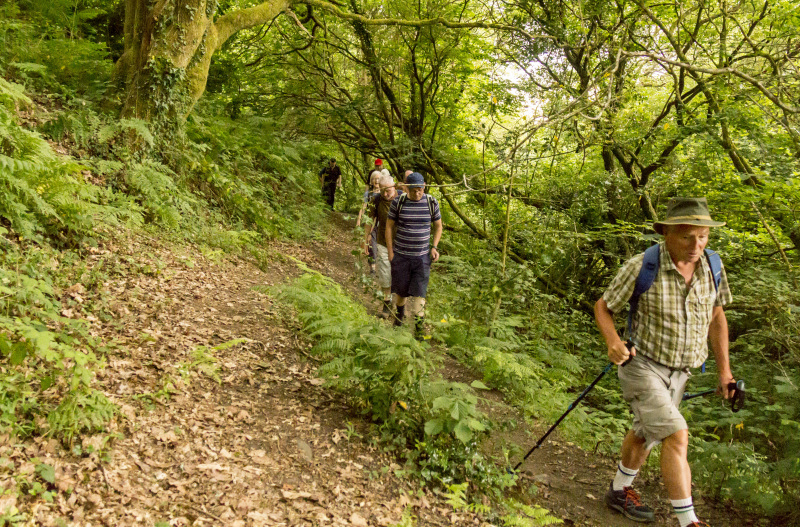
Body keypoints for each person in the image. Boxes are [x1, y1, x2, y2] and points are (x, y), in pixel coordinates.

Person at [594, 197, 734, 527]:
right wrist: (613, 341)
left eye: (702, 236)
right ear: (667, 233)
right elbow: (603, 306)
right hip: (641, 365)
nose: (696, 244)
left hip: (681, 371)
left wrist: (725, 371)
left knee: (645, 433)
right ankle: (690, 522)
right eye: (687, 236)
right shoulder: (642, 266)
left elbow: (717, 317)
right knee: (676, 433)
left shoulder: (713, 266)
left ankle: (618, 491)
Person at [385, 172, 442, 338]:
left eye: (420, 189)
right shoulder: (399, 202)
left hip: (422, 258)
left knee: (419, 293)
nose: (417, 193)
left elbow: (438, 226)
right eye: (413, 190)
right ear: (406, 188)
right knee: (401, 292)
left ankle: (418, 330)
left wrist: (434, 247)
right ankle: (399, 318)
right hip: (401, 255)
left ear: (424, 186)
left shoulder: (431, 202)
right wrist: (390, 252)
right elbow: (388, 227)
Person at [364, 173, 398, 318]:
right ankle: (386, 303)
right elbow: (369, 219)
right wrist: (365, 239)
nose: (385, 193)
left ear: (394, 187)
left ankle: (399, 305)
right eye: (383, 190)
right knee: (384, 271)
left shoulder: (403, 198)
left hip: (402, 243)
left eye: (388, 190)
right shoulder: (376, 200)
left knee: (398, 273)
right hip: (383, 242)